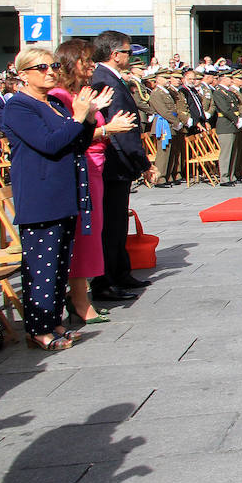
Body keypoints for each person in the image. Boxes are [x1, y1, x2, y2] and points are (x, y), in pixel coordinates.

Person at [1, 46, 103, 351]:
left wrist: (87, 120)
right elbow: (48, 143)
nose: (50, 72)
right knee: (41, 266)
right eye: (41, 68)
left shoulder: (55, 104)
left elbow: (76, 142)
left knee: (59, 265)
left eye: (53, 66)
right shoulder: (19, 107)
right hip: (39, 194)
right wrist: (78, 118)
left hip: (63, 192)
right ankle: (38, 329)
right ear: (23, 75)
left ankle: (54, 321)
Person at [52, 39, 134, 325]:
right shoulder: (59, 95)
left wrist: (94, 115)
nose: (90, 67)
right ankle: (80, 299)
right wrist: (103, 127)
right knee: (86, 235)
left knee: (93, 232)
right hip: (83, 166)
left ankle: (82, 296)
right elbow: (68, 135)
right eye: (85, 62)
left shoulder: (80, 92)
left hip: (95, 167)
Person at [90, 31, 154, 302]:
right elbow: (123, 127)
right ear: (115, 54)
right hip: (113, 163)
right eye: (128, 52)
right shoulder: (107, 81)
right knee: (111, 224)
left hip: (117, 163)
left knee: (117, 223)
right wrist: (142, 163)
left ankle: (120, 271)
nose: (131, 57)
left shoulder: (112, 79)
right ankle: (106, 280)